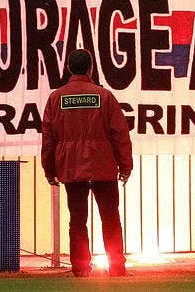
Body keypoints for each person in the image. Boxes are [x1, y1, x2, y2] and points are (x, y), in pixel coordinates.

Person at [41, 49, 133, 278]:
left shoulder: (56, 98)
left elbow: (48, 139)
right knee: (110, 218)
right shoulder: (105, 96)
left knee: (77, 219)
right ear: (91, 68)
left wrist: (49, 169)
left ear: (69, 68)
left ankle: (80, 267)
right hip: (103, 166)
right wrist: (125, 166)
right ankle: (117, 267)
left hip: (72, 167)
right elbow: (120, 134)